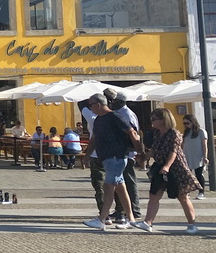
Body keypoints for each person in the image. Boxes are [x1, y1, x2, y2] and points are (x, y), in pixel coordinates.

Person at [135, 108, 202, 233]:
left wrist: (167, 166)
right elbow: (154, 150)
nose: (152, 122)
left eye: (154, 119)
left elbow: (174, 152)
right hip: (160, 166)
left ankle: (192, 224)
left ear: (163, 120)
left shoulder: (174, 133)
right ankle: (147, 222)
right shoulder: (156, 133)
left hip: (176, 168)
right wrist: (144, 157)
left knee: (182, 196)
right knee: (154, 195)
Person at [82, 93, 142, 231]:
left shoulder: (115, 116)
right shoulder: (98, 120)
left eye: (90, 105)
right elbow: (94, 139)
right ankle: (131, 219)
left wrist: (139, 151)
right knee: (121, 188)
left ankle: (101, 219)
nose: (89, 108)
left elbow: (132, 132)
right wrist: (87, 155)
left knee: (108, 187)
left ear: (98, 105)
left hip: (117, 157)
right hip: (107, 158)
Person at [104, 89, 142, 226]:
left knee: (129, 182)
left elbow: (132, 133)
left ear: (119, 101)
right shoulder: (121, 113)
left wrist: (136, 151)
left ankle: (135, 209)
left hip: (127, 153)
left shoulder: (126, 114)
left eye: (113, 101)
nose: (111, 103)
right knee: (121, 183)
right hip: (121, 153)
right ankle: (123, 209)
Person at [182, 114, 208, 199]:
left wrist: (205, 156)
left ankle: (201, 192)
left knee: (198, 174)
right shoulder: (186, 132)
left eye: (187, 123)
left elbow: (204, 145)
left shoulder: (201, 131)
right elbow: (183, 144)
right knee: (187, 175)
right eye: (184, 123)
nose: (186, 125)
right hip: (187, 156)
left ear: (193, 122)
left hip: (198, 156)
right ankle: (187, 191)